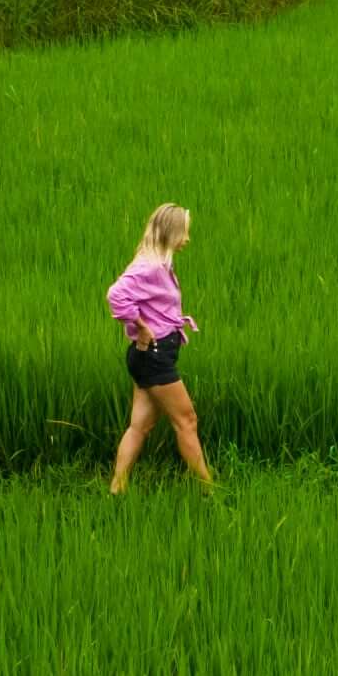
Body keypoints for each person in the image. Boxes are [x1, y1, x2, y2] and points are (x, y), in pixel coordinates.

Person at [104, 202, 214, 493]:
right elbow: (116, 295)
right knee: (186, 420)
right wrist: (140, 325)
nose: (187, 239)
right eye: (183, 233)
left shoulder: (157, 263)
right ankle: (209, 491)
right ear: (169, 232)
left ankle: (117, 489)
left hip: (147, 356)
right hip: (154, 356)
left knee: (139, 427)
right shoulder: (149, 267)